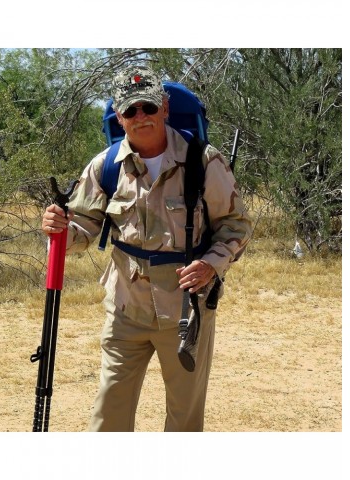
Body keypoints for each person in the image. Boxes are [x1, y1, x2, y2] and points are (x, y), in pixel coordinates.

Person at [41, 65, 252, 432]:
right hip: (126, 309)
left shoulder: (202, 161)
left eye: (148, 107)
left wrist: (211, 265)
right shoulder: (105, 167)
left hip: (187, 311)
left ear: (164, 108)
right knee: (109, 416)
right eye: (130, 110)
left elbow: (237, 225)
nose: (141, 116)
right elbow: (83, 229)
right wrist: (59, 230)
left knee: (184, 420)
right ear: (119, 117)